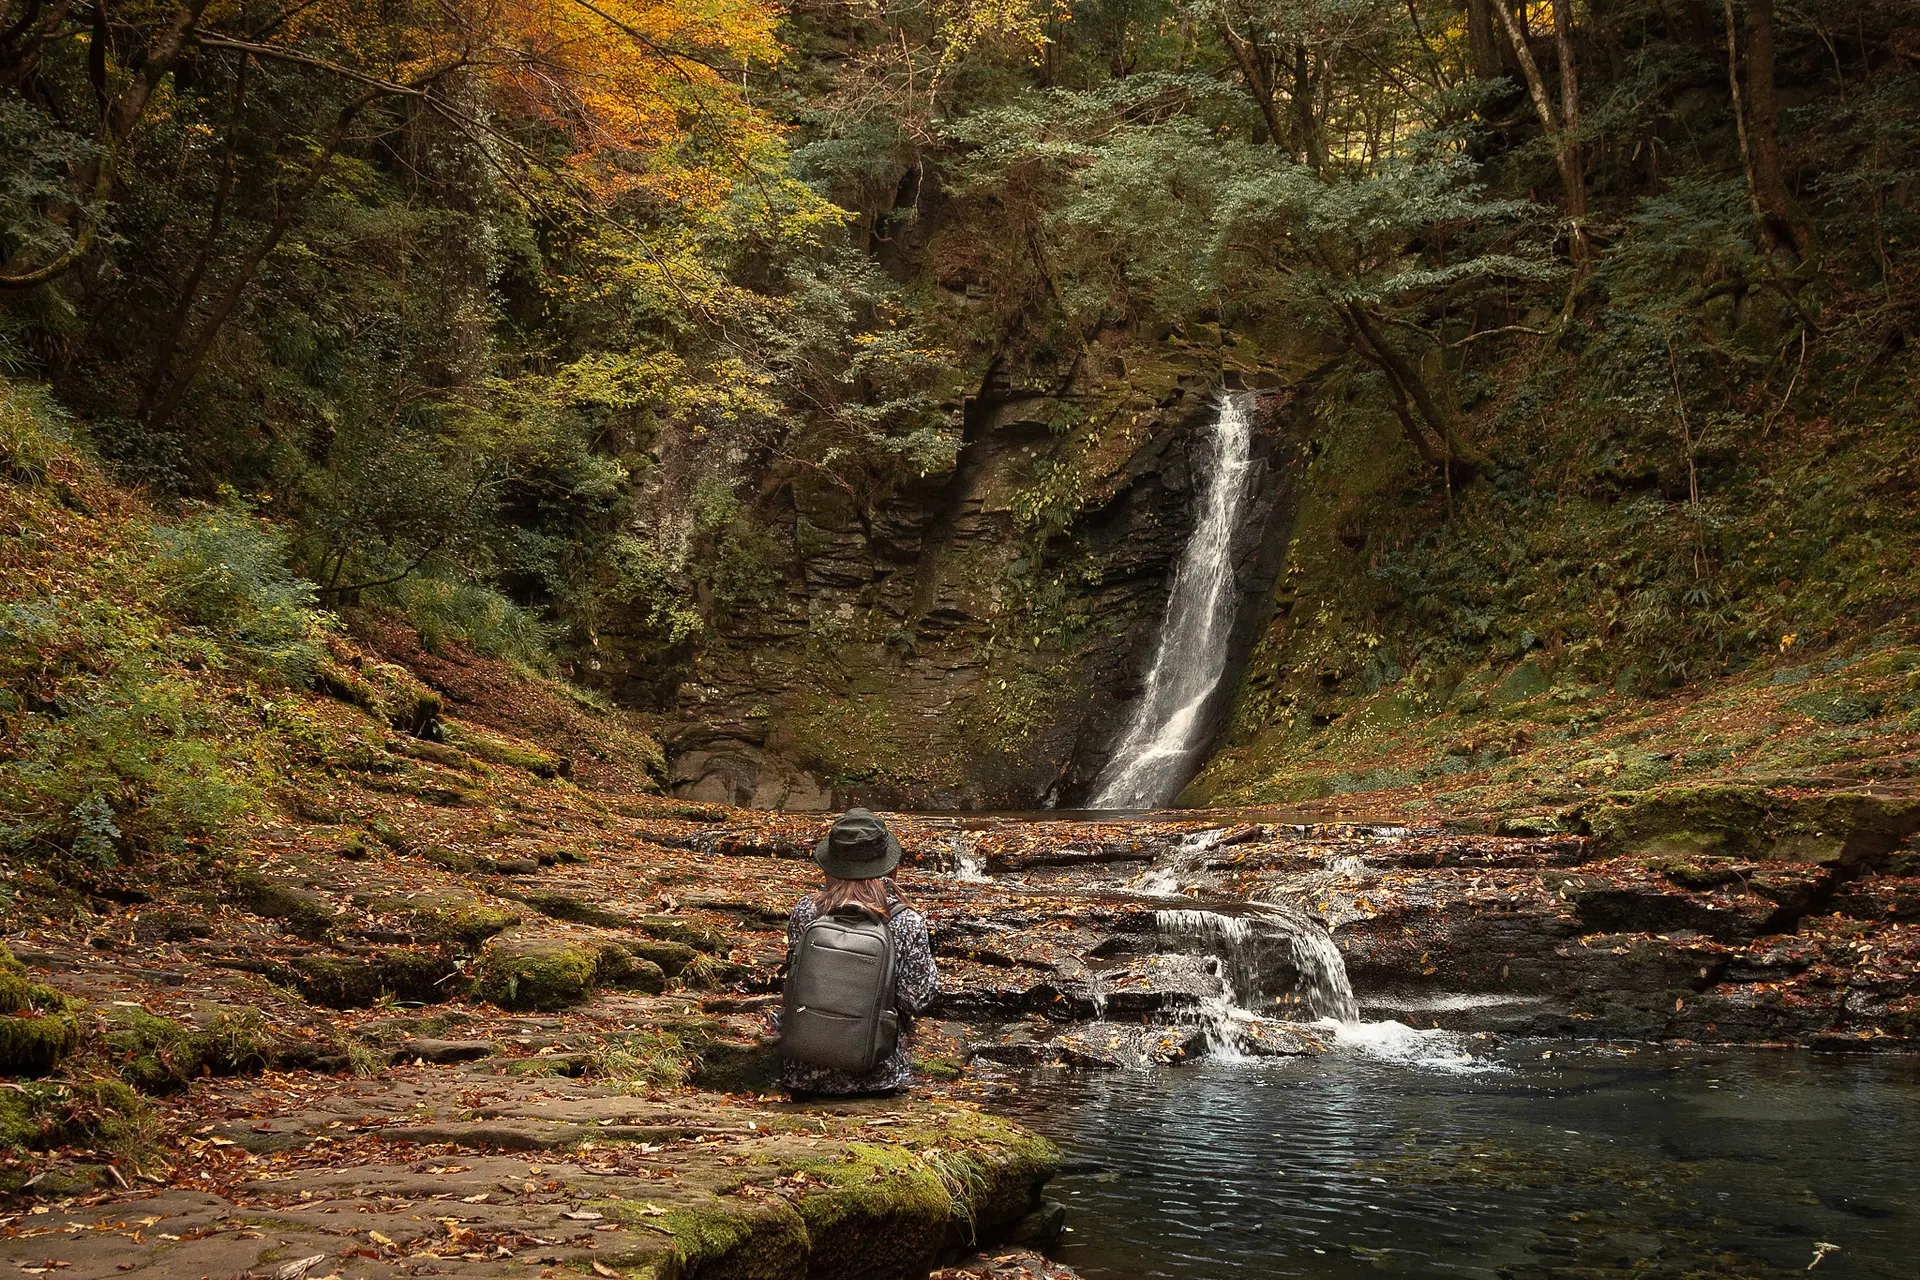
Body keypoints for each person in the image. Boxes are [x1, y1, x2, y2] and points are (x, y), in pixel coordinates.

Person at [780, 808, 939, 1096]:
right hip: (877, 1076)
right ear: (890, 867)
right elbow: (917, 998)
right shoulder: (906, 921)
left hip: (804, 1074)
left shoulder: (806, 912)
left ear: (829, 866)